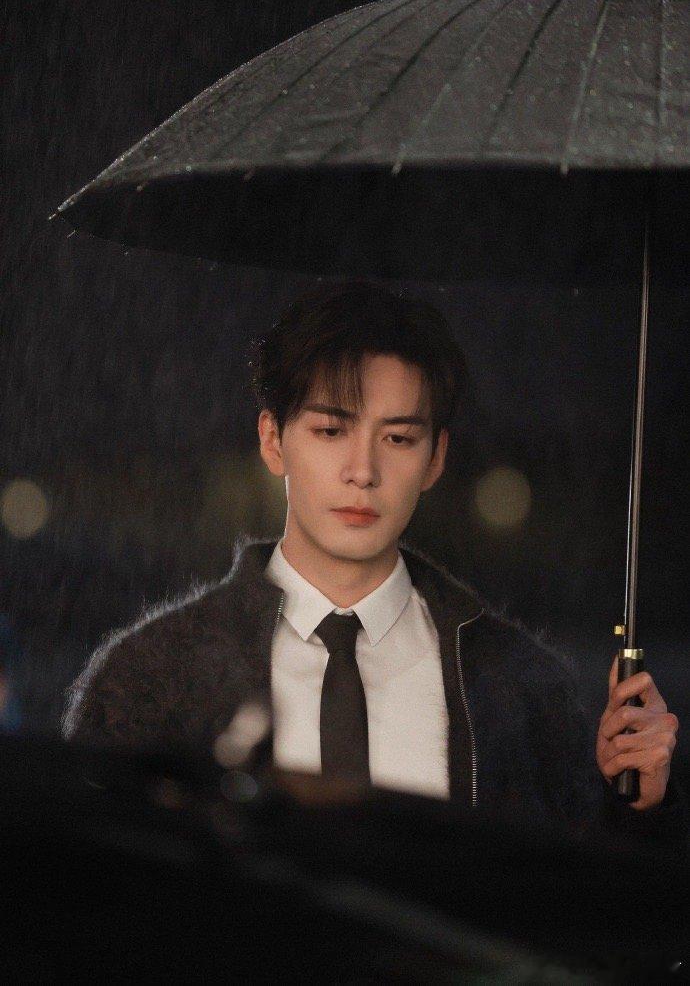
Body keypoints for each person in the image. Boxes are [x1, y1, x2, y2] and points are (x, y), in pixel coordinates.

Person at [62, 283, 684, 841]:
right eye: (331, 431)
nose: (363, 472)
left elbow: (580, 904)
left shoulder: (521, 689)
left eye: (398, 438)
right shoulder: (152, 677)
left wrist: (641, 805)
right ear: (273, 439)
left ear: (435, 459)